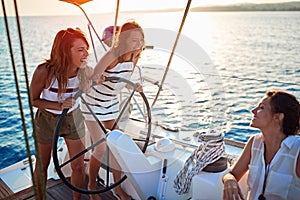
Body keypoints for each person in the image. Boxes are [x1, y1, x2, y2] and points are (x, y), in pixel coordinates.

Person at [81, 21, 144, 200]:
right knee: (100, 148)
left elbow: (123, 80)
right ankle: (92, 188)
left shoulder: (135, 56)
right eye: (133, 40)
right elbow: (92, 77)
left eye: (140, 39)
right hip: (93, 105)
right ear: (123, 40)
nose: (138, 43)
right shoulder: (113, 55)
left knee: (118, 144)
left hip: (111, 105)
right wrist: (96, 77)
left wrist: (134, 86)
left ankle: (117, 189)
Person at [30, 27, 93, 200]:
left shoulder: (84, 70)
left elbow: (97, 79)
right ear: (65, 51)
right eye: (81, 50)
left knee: (79, 166)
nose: (86, 54)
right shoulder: (44, 71)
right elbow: (33, 100)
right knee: (42, 166)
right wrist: (59, 105)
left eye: (86, 49)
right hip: (47, 121)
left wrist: (90, 82)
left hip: (74, 119)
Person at [222, 90, 300, 200]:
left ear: (278, 117)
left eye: (261, 108)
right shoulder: (254, 142)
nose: (253, 111)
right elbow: (232, 174)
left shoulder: (297, 151)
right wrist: (229, 180)